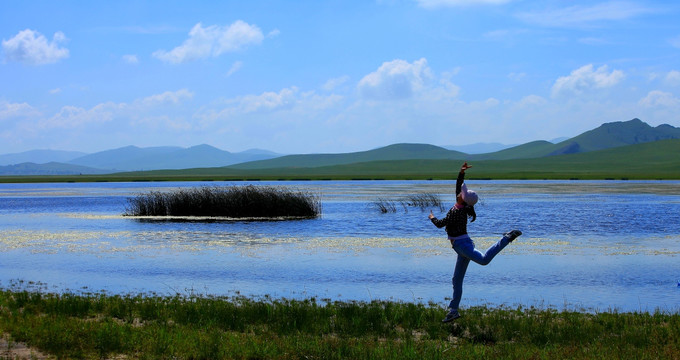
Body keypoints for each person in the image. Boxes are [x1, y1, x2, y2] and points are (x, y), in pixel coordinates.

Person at [428, 161, 522, 323]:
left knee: (484, 260)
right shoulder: (459, 205)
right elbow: (458, 186)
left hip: (462, 246)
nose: (459, 192)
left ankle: (507, 238)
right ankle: (453, 311)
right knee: (456, 280)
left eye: (461, 193)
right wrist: (461, 172)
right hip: (461, 247)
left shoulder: (456, 212)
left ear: (462, 198)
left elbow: (439, 224)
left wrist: (432, 217)